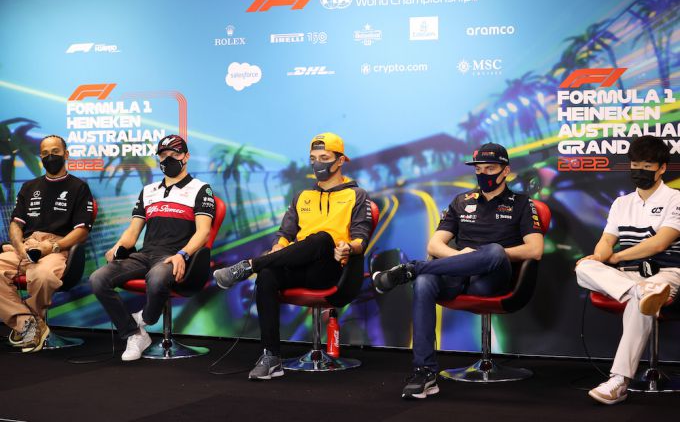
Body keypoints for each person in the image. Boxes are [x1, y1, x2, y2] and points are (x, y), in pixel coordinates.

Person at [371, 143, 544, 399]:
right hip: (457, 274)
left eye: (490, 169)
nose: (483, 174)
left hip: (492, 278)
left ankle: (412, 268)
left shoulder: (522, 203)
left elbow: (535, 250)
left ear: (505, 171)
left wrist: (486, 255)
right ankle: (425, 372)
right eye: (479, 169)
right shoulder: (461, 202)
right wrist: (462, 258)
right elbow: (434, 245)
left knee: (494, 251)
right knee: (424, 282)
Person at [213, 132, 373, 380]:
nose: (317, 164)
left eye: (324, 158)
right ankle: (271, 356)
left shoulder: (357, 195)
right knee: (267, 274)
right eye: (313, 158)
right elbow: (285, 234)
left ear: (340, 160)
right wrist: (279, 246)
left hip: (333, 269)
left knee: (322, 238)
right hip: (300, 265)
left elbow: (361, 239)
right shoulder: (302, 196)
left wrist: (349, 248)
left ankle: (249, 265)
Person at [89, 134, 215, 361]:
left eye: (174, 154)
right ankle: (134, 333)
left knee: (157, 279)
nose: (168, 159)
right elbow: (132, 232)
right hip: (145, 254)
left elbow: (203, 232)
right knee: (98, 278)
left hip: (174, 256)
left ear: (186, 157)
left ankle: (143, 320)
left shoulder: (201, 189)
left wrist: (182, 254)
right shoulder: (148, 190)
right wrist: (117, 247)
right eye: (163, 156)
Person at [575, 135, 680, 405]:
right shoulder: (621, 203)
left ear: (662, 168)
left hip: (666, 272)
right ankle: (642, 291)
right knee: (584, 267)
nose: (639, 171)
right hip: (629, 276)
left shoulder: (676, 199)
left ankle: (619, 382)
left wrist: (616, 257)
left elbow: (660, 243)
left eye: (647, 166)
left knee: (639, 302)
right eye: (635, 165)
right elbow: (606, 240)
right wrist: (600, 256)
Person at [0, 135, 94, 352]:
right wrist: (19, 246)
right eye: (45, 153)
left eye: (55, 152)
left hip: (57, 247)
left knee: (43, 276)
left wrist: (52, 247)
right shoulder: (29, 187)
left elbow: (82, 231)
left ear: (66, 154)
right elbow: (16, 224)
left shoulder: (79, 187)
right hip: (26, 245)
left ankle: (30, 327)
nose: (50, 157)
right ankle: (29, 325)